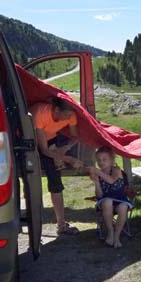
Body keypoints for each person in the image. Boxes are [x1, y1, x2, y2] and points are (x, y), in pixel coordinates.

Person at [30, 96, 83, 235]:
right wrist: (68, 159)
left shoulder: (70, 115)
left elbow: (75, 137)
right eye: (65, 115)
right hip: (31, 141)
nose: (67, 119)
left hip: (51, 138)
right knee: (34, 179)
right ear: (57, 110)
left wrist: (64, 148)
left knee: (56, 180)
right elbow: (44, 150)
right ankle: (33, 227)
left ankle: (61, 225)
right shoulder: (41, 113)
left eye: (69, 116)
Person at [88, 146, 132, 248]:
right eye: (98, 160)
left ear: (111, 160)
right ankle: (110, 232)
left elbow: (111, 180)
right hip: (105, 202)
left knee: (123, 207)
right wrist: (96, 182)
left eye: (104, 159)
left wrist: (97, 171)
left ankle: (117, 236)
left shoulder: (116, 170)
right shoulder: (98, 174)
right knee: (107, 201)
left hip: (120, 199)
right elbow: (99, 195)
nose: (101, 162)